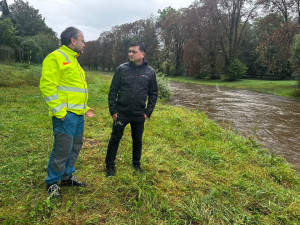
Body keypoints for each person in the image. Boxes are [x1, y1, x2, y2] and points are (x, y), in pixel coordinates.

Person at [40, 27, 94, 198]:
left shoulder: (74, 60)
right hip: (66, 115)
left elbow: (72, 90)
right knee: (62, 149)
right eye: (82, 40)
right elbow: (47, 87)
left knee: (75, 147)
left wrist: (84, 108)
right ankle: (52, 182)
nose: (84, 45)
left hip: (77, 116)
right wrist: (60, 112)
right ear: (73, 40)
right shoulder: (55, 57)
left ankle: (66, 177)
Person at [105, 41, 158, 177]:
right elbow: (113, 91)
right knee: (115, 139)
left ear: (142, 54)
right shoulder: (122, 69)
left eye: (134, 51)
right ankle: (110, 167)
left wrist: (148, 113)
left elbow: (153, 94)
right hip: (121, 113)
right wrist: (113, 111)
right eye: (129, 51)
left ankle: (136, 164)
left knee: (137, 140)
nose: (130, 54)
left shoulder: (150, 72)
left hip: (139, 114)